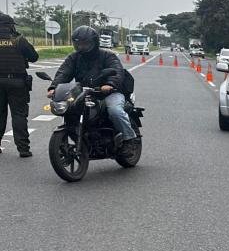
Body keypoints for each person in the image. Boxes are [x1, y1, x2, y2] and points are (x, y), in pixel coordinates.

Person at [49, 26, 137, 147]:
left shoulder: (107, 55)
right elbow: (64, 73)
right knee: (70, 109)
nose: (81, 47)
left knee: (114, 111)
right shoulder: (74, 58)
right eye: (78, 44)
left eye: (85, 44)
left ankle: (129, 139)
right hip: (85, 93)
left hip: (110, 92)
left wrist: (109, 84)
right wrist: (54, 87)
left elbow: (117, 71)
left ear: (94, 43)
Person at [0, 12, 40, 157]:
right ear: (10, 26)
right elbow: (34, 57)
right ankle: (23, 149)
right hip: (17, 82)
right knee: (18, 115)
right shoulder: (19, 40)